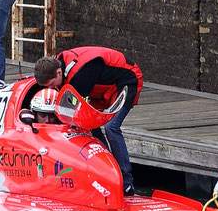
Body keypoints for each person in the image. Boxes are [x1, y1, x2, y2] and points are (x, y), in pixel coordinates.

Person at [34, 46, 143, 195]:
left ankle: (126, 181)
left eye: (53, 84)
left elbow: (75, 113)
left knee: (111, 127)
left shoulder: (80, 75)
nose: (54, 88)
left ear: (59, 73)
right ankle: (109, 171)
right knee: (91, 125)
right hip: (102, 87)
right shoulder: (60, 66)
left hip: (127, 81)